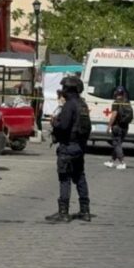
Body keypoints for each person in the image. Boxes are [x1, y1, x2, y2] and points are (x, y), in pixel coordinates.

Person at [46, 76, 91, 223]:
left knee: (64, 178)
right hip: (79, 147)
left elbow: (63, 126)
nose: (62, 91)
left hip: (68, 147)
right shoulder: (82, 104)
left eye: (64, 88)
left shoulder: (69, 105)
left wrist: (55, 123)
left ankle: (63, 212)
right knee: (80, 177)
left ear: (69, 90)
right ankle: (85, 211)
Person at [105, 86, 132, 170]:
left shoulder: (116, 102)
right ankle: (111, 161)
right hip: (125, 127)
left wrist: (109, 126)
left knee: (116, 144)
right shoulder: (127, 102)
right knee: (118, 144)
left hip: (117, 126)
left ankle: (122, 162)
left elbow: (114, 115)